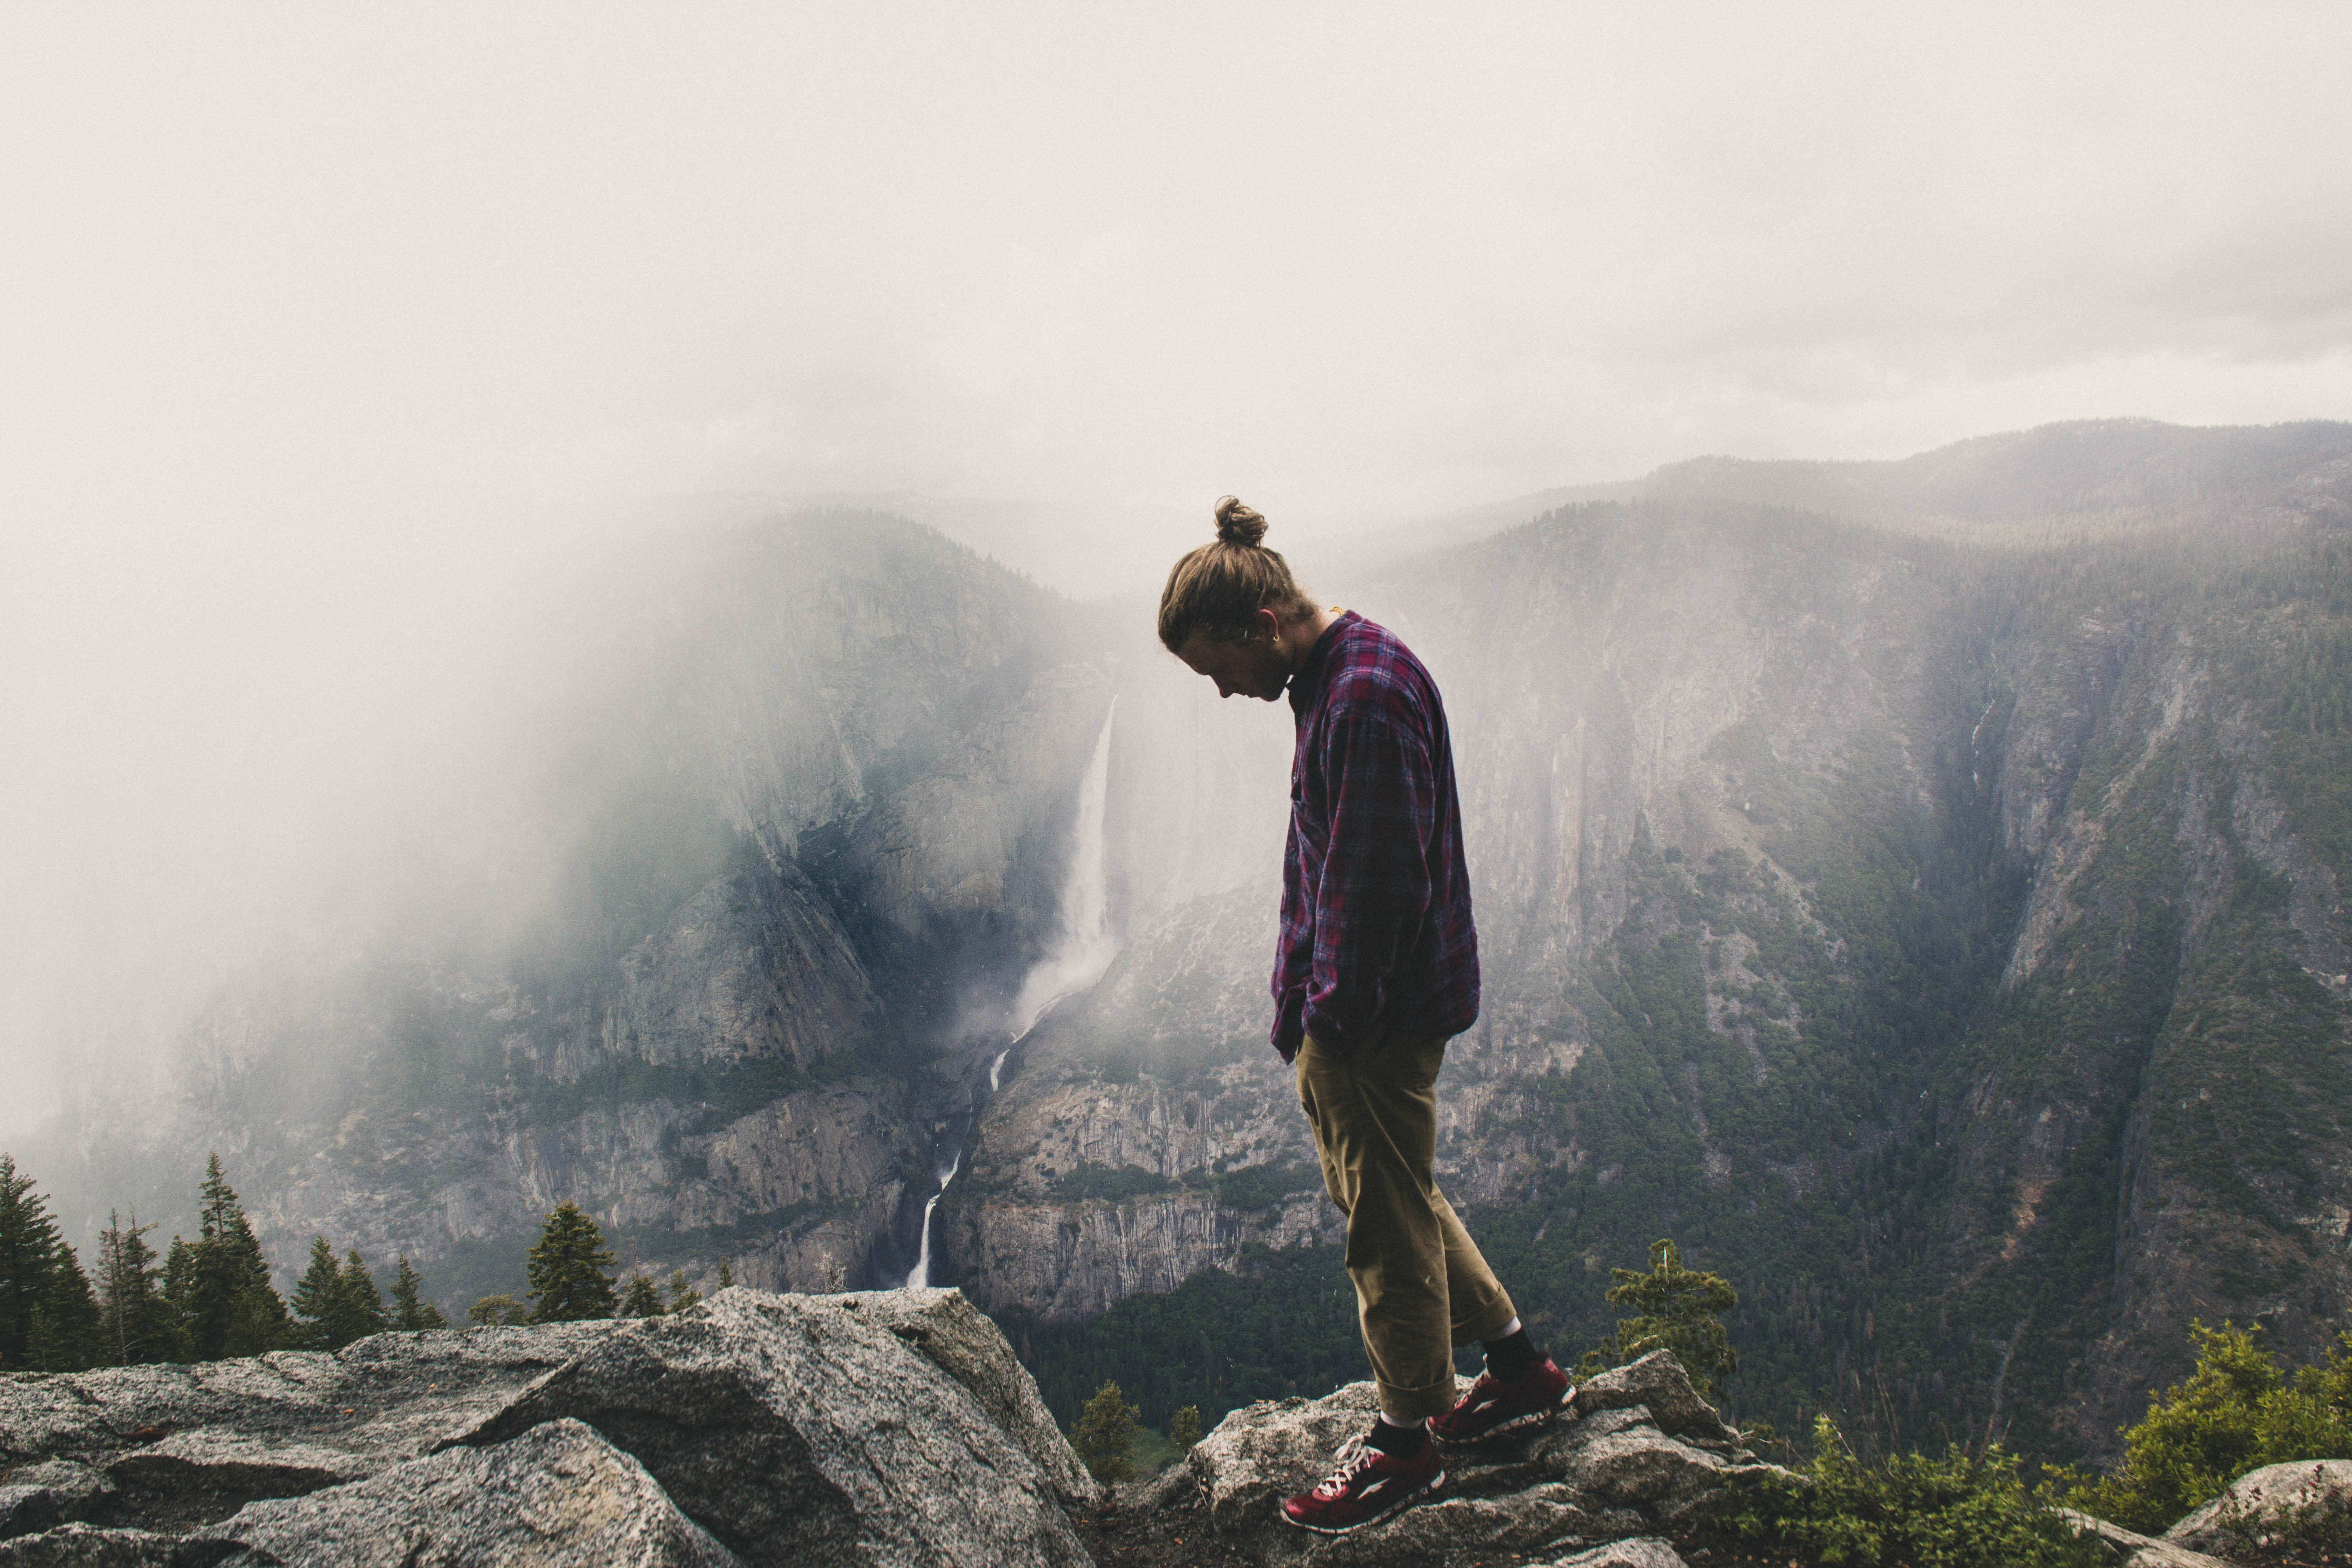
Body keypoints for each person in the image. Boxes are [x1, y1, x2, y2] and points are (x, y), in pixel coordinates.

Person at [1158, 496, 1572, 1535]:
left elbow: (1374, 889)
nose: (1220, 691)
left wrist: (1326, 1022)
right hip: (1361, 1006)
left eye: (1216, 666)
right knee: (1402, 1191)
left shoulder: (1364, 699)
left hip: (1372, 1020)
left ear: (1261, 626)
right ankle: (1518, 1368)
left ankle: (1405, 1443)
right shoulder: (1343, 674)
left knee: (1381, 1228)